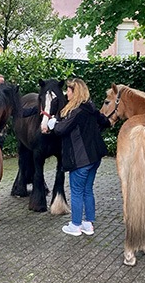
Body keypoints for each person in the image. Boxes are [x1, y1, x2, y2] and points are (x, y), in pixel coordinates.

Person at [47, 78, 111, 236]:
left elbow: (62, 130)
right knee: (87, 190)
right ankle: (88, 224)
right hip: (94, 157)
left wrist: (52, 124)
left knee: (76, 191)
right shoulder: (90, 107)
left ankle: (75, 225)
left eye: (69, 90)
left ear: (75, 92)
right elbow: (104, 121)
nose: (66, 93)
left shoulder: (76, 111)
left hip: (81, 159)